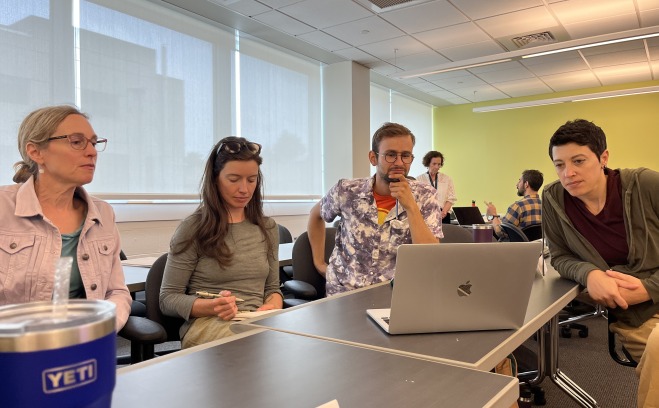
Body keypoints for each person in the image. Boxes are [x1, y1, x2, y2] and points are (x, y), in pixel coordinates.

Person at [542, 119, 659, 407]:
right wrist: (589, 272)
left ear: (603, 157)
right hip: (637, 317)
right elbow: (559, 255)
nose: (568, 173)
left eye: (578, 161)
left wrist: (651, 288)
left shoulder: (645, 185)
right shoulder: (554, 199)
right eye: (559, 165)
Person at [0, 105, 131, 330]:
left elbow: (116, 292)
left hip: (80, 345)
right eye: (77, 141)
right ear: (36, 152)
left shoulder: (103, 214)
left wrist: (99, 328)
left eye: (94, 142)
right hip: (14, 350)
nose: (91, 152)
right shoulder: (4, 208)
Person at [160, 136, 283, 348]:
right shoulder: (193, 228)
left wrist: (273, 305)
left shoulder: (267, 227)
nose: (244, 189)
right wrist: (212, 306)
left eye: (251, 180)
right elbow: (168, 299)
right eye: (234, 180)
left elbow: (272, 289)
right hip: (209, 323)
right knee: (258, 347)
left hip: (257, 322)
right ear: (215, 179)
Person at [307, 122, 443, 296]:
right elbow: (315, 215)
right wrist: (319, 262)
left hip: (395, 295)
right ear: (373, 158)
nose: (399, 162)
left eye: (406, 155)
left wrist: (410, 206)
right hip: (344, 293)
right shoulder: (347, 191)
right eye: (391, 155)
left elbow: (430, 257)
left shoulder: (425, 196)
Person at [484, 169, 543, 239]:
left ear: (526, 184)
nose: (517, 184)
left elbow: (501, 232)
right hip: (538, 247)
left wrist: (493, 215)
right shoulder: (546, 206)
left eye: (519, 180)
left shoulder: (518, 207)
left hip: (515, 248)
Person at [416, 151, 457, 223]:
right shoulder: (419, 179)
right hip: (426, 215)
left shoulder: (447, 179)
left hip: (443, 214)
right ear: (428, 163)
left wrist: (444, 212)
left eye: (439, 164)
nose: (437, 167)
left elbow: (451, 198)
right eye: (434, 164)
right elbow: (417, 199)